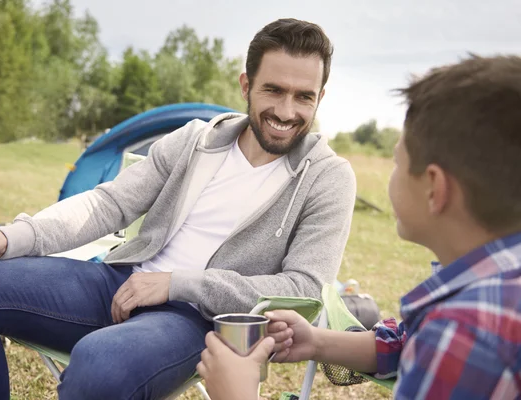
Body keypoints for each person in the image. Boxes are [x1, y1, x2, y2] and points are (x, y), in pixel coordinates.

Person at [0, 18, 357, 400]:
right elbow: (108, 203)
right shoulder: (195, 141)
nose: (285, 111)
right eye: (273, 90)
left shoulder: (328, 178)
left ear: (321, 96)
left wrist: (178, 284)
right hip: (119, 282)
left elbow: (302, 290)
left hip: (198, 321)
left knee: (99, 364)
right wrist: (9, 237)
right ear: (246, 85)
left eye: (304, 97)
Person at [197, 54, 521, 400]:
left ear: (434, 189)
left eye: (398, 161)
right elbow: (411, 340)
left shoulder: (462, 335)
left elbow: (439, 342)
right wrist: (318, 340)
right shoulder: (495, 283)